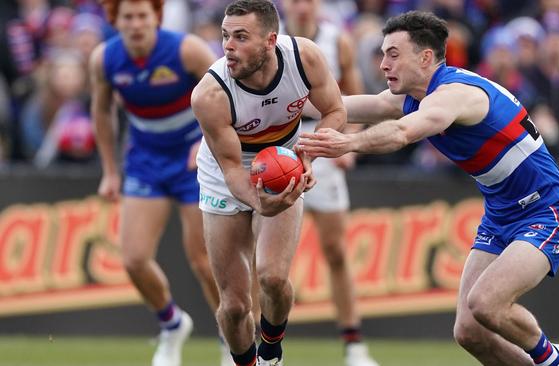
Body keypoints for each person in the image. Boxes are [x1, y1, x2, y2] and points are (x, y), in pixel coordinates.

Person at [298, 11, 559, 366]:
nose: (383, 64)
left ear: (426, 57)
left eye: (393, 54)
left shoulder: (454, 95)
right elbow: (342, 105)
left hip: (547, 209)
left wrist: (347, 144)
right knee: (469, 332)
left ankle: (555, 359)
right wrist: (278, 104)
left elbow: (401, 133)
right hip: (500, 215)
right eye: (383, 53)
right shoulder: (412, 96)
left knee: (485, 303)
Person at [190, 1, 346, 365]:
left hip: (284, 162)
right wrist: (261, 203)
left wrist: (308, 155)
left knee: (274, 279)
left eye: (241, 37)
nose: (228, 45)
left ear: (270, 41)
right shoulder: (210, 95)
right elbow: (231, 170)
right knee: (232, 306)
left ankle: (272, 353)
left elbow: (335, 111)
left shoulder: (304, 57)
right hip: (222, 176)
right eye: (226, 35)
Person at [89, 1, 223, 366]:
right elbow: (101, 111)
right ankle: (172, 324)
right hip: (145, 160)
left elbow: (227, 91)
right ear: (115, 21)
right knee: (132, 259)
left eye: (143, 17)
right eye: (127, 18)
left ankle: (232, 339)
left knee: (204, 261)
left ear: (157, 19)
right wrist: (110, 171)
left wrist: (205, 140)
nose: (135, 25)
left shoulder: (186, 49)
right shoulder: (104, 59)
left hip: (194, 160)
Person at [279, 0, 379, 365]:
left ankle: (354, 345)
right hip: (277, 146)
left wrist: (348, 143)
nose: (301, 6)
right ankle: (254, 346)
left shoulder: (337, 41)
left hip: (322, 140)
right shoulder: (270, 42)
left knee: (336, 250)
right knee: (265, 256)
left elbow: (353, 100)